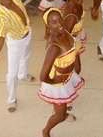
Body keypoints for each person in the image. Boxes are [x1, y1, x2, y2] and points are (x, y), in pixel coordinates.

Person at [38, 7, 84, 137]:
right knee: (59, 116)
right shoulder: (54, 47)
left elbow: (73, 50)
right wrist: (54, 81)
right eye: (54, 22)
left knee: (62, 105)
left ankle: (62, 110)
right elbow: (43, 75)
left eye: (60, 19)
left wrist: (75, 67)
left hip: (67, 76)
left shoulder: (65, 33)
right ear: (48, 25)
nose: (59, 24)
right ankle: (46, 130)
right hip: (57, 83)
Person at [60, 0, 86, 74]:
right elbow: (65, 35)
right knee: (77, 68)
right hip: (70, 40)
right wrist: (71, 52)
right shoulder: (71, 16)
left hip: (75, 34)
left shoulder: (77, 4)